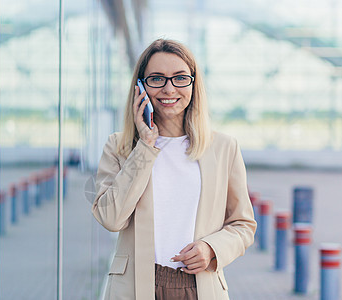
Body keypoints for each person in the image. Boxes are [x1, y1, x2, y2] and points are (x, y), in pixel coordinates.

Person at [92, 38, 256, 300]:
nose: (169, 89)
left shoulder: (223, 148)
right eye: (157, 79)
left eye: (180, 78)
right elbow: (111, 218)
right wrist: (145, 145)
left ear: (193, 83)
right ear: (140, 87)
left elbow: (243, 224)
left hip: (199, 286)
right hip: (135, 287)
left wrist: (212, 248)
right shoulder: (119, 147)